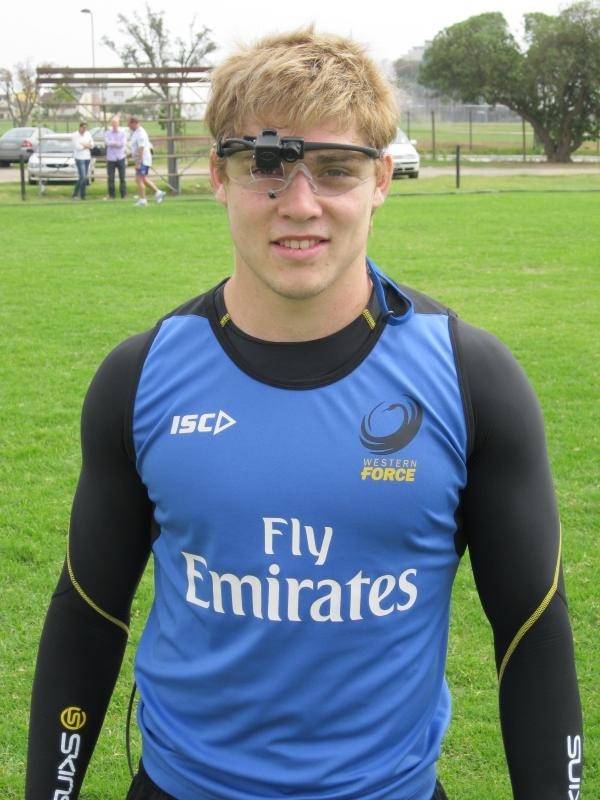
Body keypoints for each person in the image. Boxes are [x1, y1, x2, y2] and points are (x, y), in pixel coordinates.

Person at [26, 28, 583, 800]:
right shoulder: (139, 375)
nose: (300, 203)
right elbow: (88, 613)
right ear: (219, 174)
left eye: (334, 169)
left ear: (382, 179)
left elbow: (532, 634)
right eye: (267, 164)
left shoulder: (470, 379)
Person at [127, 115, 165, 206]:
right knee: (143, 179)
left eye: (129, 124)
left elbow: (141, 148)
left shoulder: (140, 133)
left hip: (143, 160)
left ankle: (143, 200)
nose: (128, 126)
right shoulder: (136, 132)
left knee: (138, 179)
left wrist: (139, 163)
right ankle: (158, 192)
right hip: (141, 159)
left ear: (134, 123)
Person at [104, 114, 128, 199]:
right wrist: (115, 142)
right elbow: (107, 142)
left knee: (123, 178)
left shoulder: (123, 133)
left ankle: (124, 195)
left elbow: (122, 144)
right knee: (111, 178)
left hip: (120, 157)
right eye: (113, 123)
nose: (114, 124)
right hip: (111, 158)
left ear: (118, 123)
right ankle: (111, 195)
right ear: (111, 124)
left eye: (116, 123)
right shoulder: (107, 133)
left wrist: (113, 143)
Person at [71, 121, 93, 200]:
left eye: (86, 128)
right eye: (83, 128)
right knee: (83, 177)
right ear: (80, 127)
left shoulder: (88, 134)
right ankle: (76, 194)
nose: (84, 129)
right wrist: (86, 145)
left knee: (83, 177)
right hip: (79, 158)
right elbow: (78, 147)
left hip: (87, 157)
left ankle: (82, 195)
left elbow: (92, 145)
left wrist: (84, 144)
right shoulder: (75, 135)